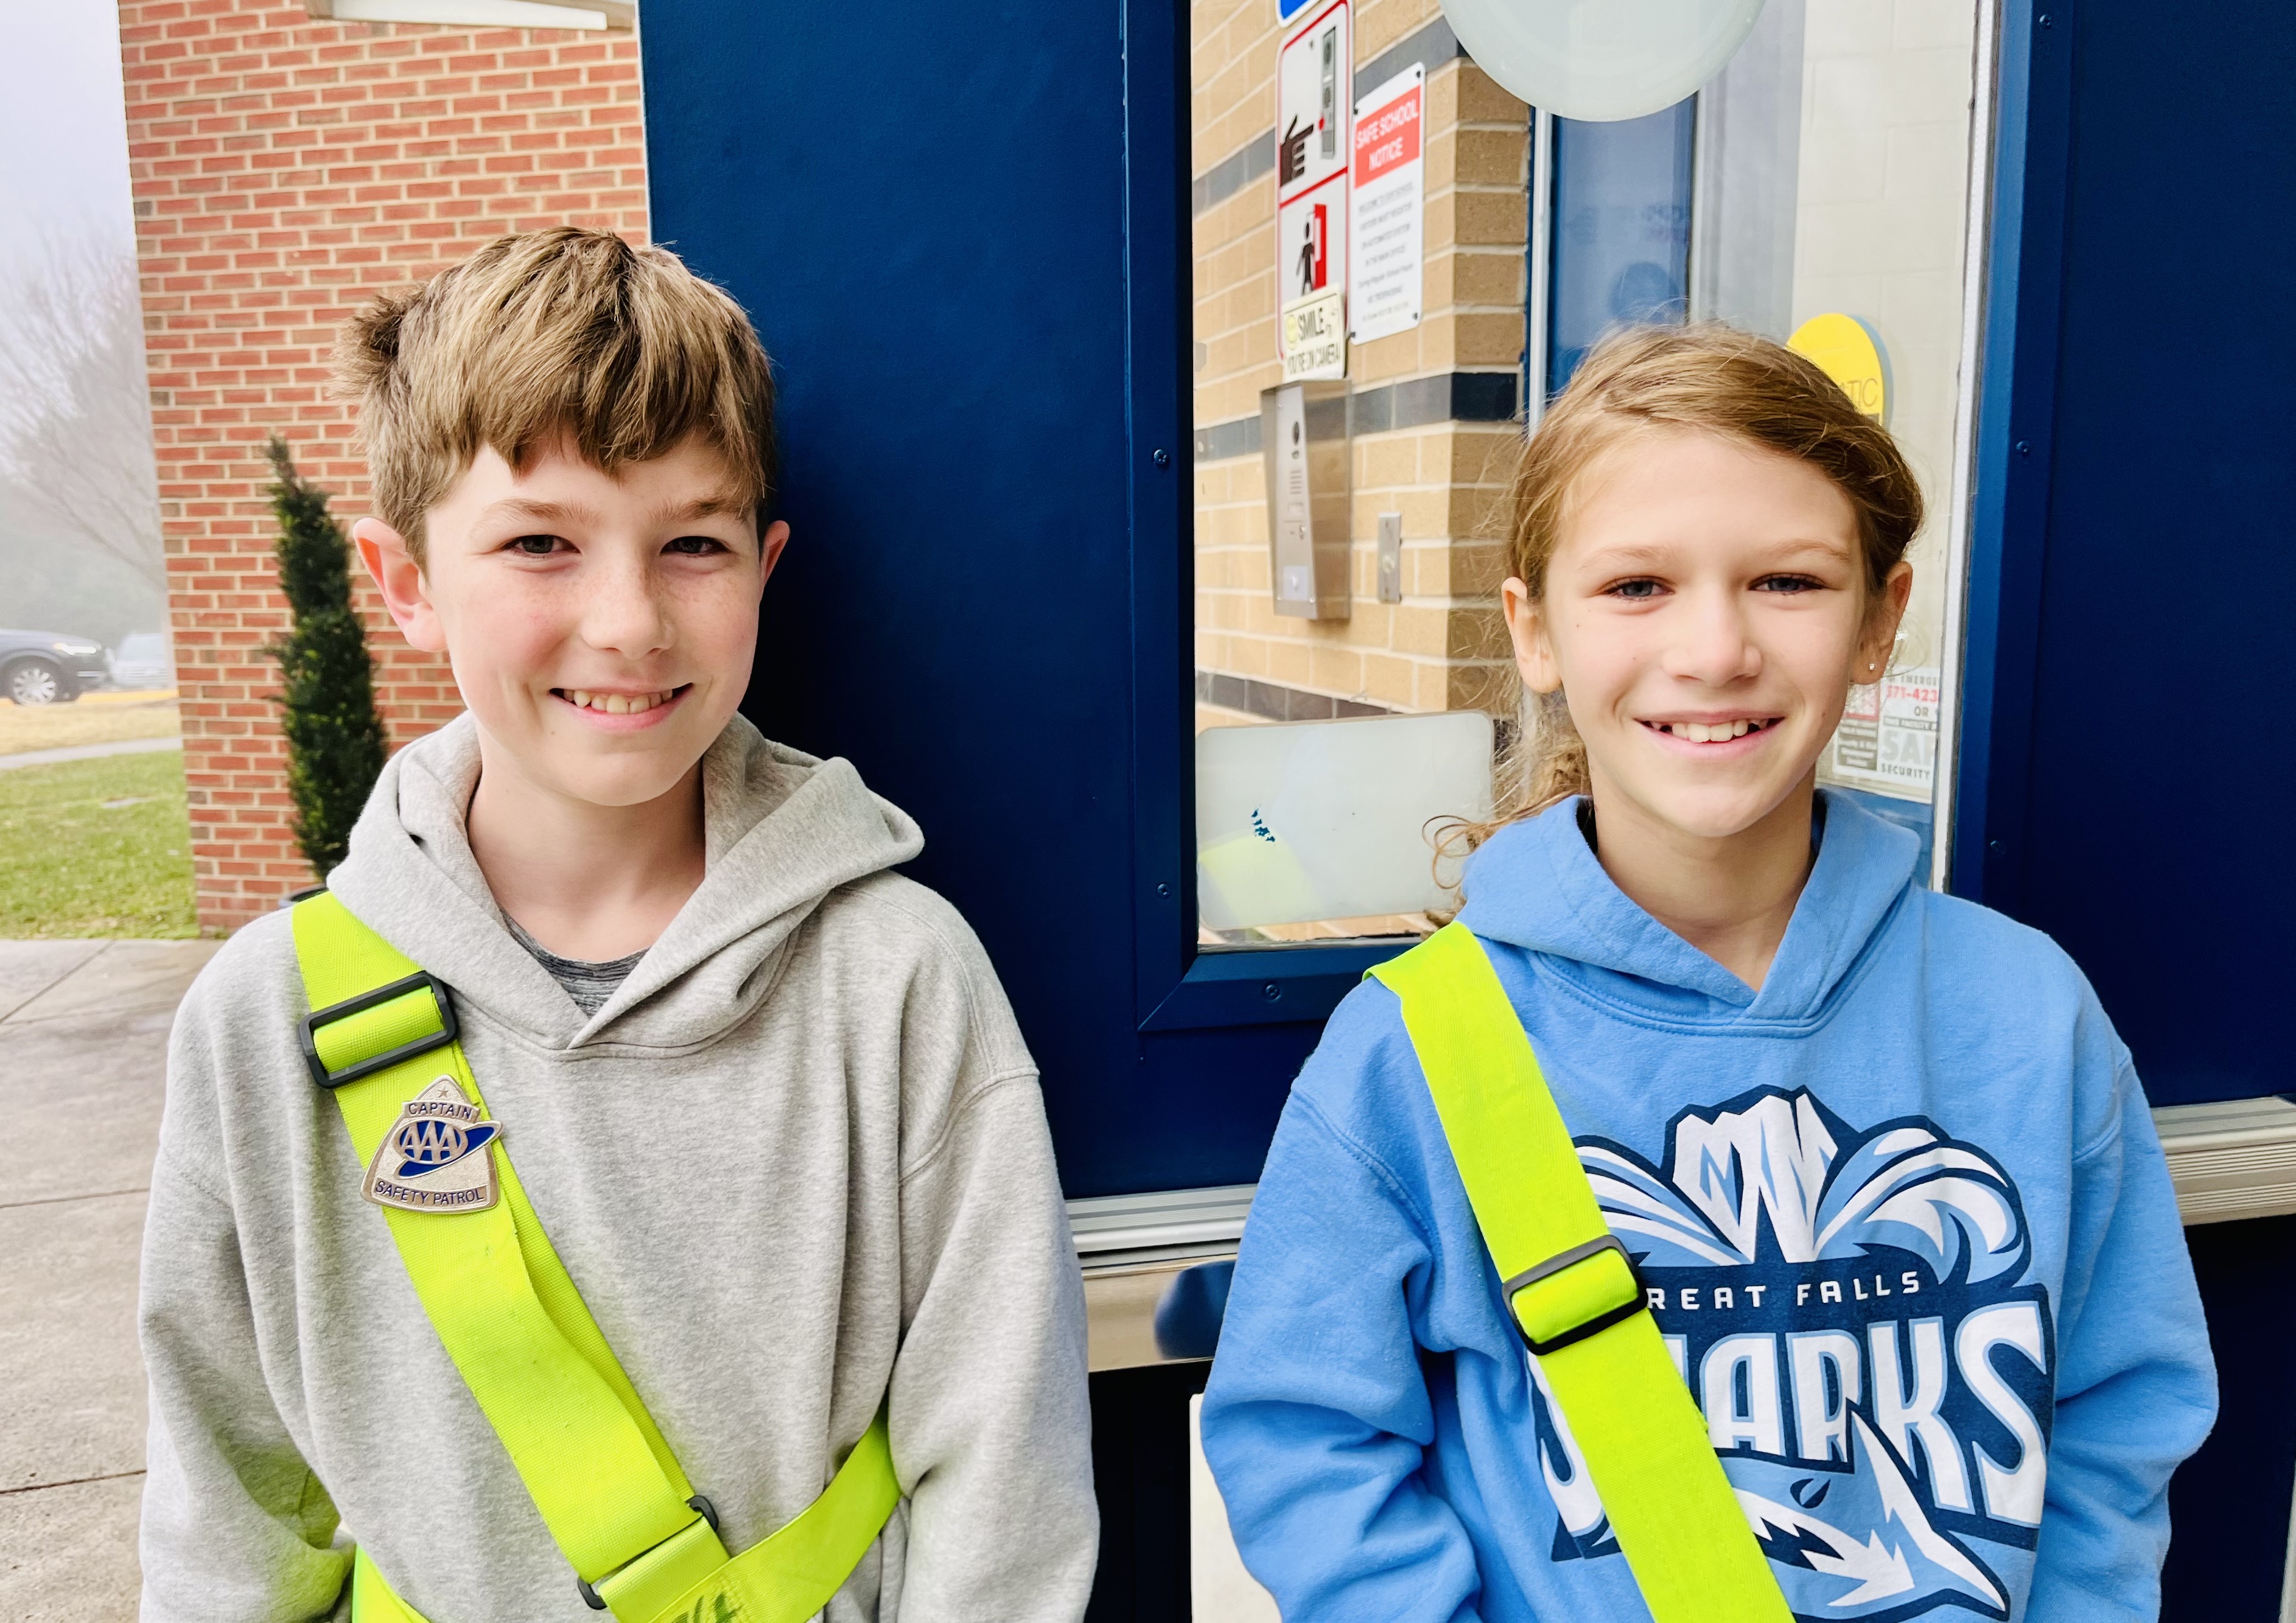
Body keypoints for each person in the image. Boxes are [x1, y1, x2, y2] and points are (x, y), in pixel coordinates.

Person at [136, 228, 1096, 1622]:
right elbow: (227, 1516)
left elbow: (1001, 1477)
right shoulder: (261, 1022)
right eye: (539, 543)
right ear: (403, 579)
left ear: (763, 565)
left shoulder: (898, 982)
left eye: (691, 544)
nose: (629, 619)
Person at [1200, 324, 2215, 1621]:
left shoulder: (2027, 1014)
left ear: (1877, 622)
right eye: (1635, 588)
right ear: (1534, 631)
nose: (1714, 650)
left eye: (1787, 582)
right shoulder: (1416, 1048)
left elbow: (2115, 1415)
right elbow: (1307, 1441)